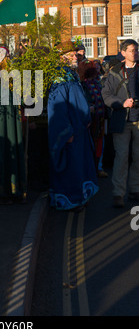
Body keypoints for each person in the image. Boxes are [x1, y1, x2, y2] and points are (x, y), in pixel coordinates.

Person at [47, 41, 99, 211]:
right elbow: (59, 106)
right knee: (71, 167)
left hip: (79, 129)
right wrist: (65, 131)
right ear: (61, 58)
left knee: (81, 165)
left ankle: (80, 196)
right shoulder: (59, 77)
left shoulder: (72, 74)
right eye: (70, 54)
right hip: (70, 131)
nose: (75, 57)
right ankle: (71, 199)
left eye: (75, 54)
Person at [0, 47, 27, 203]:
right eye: (6, 58)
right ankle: (4, 191)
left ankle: (14, 189)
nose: (8, 60)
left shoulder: (6, 77)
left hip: (11, 120)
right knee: (3, 152)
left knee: (13, 150)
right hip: (1, 122)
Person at [101, 39, 139, 208]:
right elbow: (106, 96)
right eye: (132, 50)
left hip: (138, 119)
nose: (135, 53)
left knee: (138, 157)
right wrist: (122, 103)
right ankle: (118, 193)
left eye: (137, 50)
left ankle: (135, 189)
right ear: (123, 52)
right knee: (122, 157)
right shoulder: (114, 72)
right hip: (122, 120)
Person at [78, 60, 107, 178]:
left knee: (100, 144)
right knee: (90, 145)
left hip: (100, 119)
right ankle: (90, 170)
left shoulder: (97, 83)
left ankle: (98, 167)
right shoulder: (82, 85)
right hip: (89, 119)